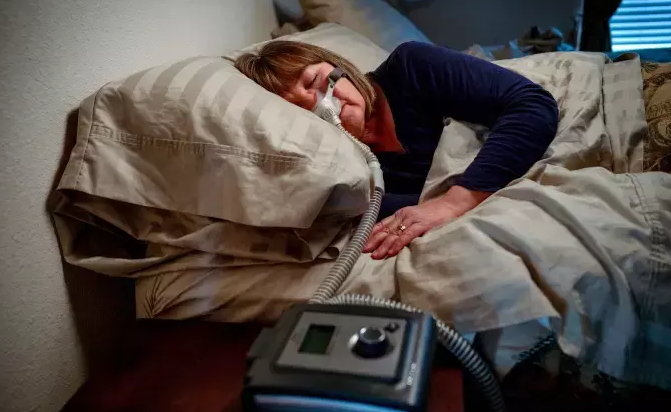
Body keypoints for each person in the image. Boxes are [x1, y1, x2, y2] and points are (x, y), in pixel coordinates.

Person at [235, 41, 558, 260]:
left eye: (316, 81)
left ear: (337, 66)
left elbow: (531, 105)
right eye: (302, 110)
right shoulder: (343, 175)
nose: (325, 104)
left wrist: (455, 202)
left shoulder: (412, 67)